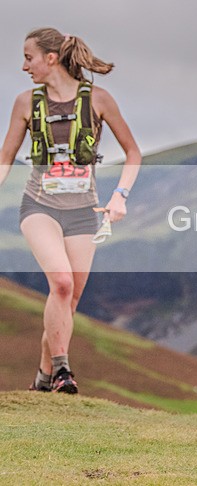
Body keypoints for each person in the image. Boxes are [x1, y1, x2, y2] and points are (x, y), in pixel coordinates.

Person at [0, 28, 141, 393]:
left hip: (83, 212)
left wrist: (120, 195)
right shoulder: (24, 103)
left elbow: (133, 153)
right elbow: (5, 159)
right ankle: (63, 371)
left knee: (68, 300)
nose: (23, 66)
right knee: (60, 282)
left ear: (51, 58)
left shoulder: (99, 100)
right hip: (39, 206)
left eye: (28, 57)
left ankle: (44, 379)